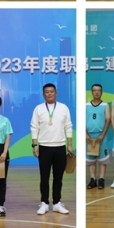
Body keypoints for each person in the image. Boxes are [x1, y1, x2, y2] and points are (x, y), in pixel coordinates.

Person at [31, 83, 74, 215]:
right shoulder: (38, 109)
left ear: (56, 93)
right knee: (44, 177)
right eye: (47, 92)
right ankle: (44, 203)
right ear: (43, 94)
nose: (49, 94)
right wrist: (35, 145)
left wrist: (70, 144)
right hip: (44, 147)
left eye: (51, 91)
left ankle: (56, 203)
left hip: (60, 146)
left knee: (58, 177)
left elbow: (68, 126)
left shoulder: (63, 108)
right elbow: (34, 127)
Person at [86, 84, 111, 190]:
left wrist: (102, 135)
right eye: (94, 90)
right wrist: (85, 135)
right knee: (91, 159)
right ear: (91, 92)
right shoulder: (86, 105)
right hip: (89, 136)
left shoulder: (105, 105)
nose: (96, 92)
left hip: (101, 136)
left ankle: (101, 179)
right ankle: (92, 179)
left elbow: (108, 120)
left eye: (98, 90)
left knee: (102, 159)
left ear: (102, 92)